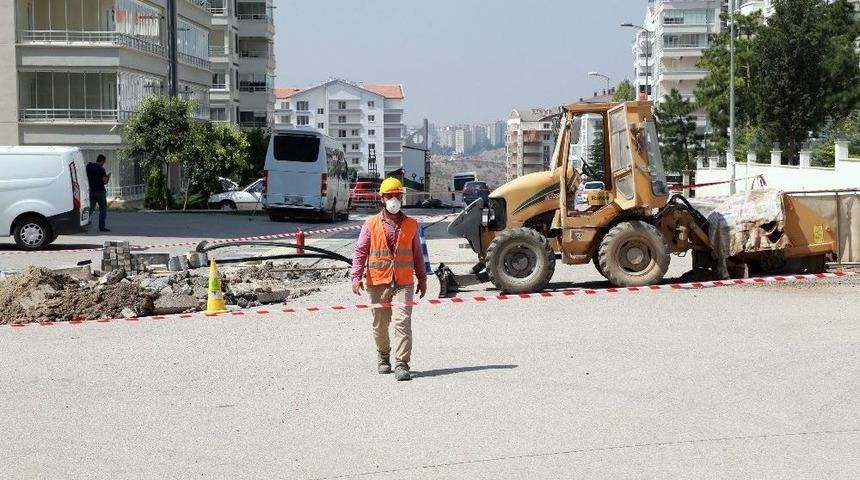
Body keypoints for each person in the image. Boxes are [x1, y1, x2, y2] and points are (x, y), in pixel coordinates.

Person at [351, 177, 427, 381]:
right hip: (378, 281)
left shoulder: (411, 224)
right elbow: (360, 251)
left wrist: (422, 277)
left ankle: (402, 363)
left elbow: (417, 254)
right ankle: (383, 356)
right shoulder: (371, 224)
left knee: (403, 322)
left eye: (398, 196)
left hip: (404, 282)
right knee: (380, 324)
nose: (394, 200)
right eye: (390, 196)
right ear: (382, 199)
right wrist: (356, 276)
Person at [86, 154, 111, 232]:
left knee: (91, 209)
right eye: (104, 162)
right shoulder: (101, 169)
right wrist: (108, 176)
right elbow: (105, 182)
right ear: (102, 161)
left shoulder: (89, 166)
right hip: (100, 191)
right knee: (103, 210)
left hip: (91, 191)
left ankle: (82, 224)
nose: (104, 163)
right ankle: (102, 227)